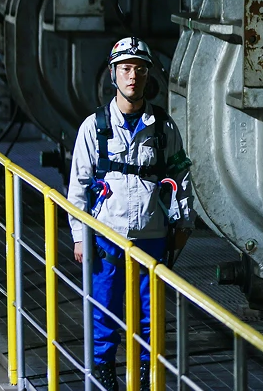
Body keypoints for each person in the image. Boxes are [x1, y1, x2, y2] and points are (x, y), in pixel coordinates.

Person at [68, 36, 195, 391]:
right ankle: (104, 372)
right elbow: (78, 185)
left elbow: (181, 177)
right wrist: (79, 236)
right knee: (104, 308)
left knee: (150, 314)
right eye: (125, 68)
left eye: (139, 69)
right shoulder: (94, 127)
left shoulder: (163, 127)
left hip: (152, 235)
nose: (133, 76)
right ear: (113, 74)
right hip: (107, 235)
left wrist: (184, 223)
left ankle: (145, 372)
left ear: (148, 75)